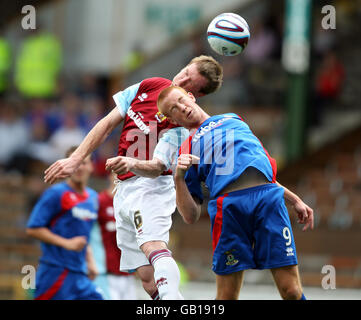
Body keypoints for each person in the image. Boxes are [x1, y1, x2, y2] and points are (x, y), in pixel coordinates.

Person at [43, 55, 223, 300]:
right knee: (149, 281)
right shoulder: (150, 85)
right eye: (185, 72)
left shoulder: (181, 123)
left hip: (151, 187)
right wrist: (76, 158)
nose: (181, 79)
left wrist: (131, 162)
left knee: (153, 247)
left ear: (195, 95)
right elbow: (107, 123)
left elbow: (158, 167)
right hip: (124, 188)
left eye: (190, 83)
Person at [155, 85, 314, 300]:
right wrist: (179, 179)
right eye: (173, 109)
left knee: (292, 291)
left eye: (181, 100)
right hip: (229, 210)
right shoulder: (186, 148)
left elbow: (258, 167)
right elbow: (190, 215)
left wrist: (295, 199)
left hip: (268, 199)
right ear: (172, 119)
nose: (181, 108)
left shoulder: (233, 119)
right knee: (227, 296)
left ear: (191, 96)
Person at [26, 146, 103, 300]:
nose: (79, 167)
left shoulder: (93, 198)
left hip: (80, 274)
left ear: (92, 166)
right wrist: (66, 243)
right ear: (68, 166)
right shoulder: (56, 193)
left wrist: (91, 261)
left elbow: (83, 234)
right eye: (75, 163)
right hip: (56, 271)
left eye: (84, 163)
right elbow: (33, 229)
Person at [89, 173, 138, 300]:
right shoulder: (99, 201)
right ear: (110, 175)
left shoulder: (132, 204)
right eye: (118, 173)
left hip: (128, 274)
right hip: (105, 273)